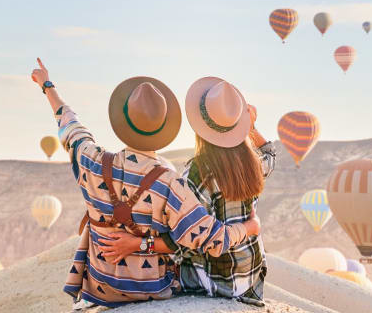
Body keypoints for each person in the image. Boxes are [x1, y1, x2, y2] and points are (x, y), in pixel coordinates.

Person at [30, 60, 261, 308]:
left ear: (122, 120)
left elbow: (70, 124)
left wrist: (47, 86)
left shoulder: (91, 159)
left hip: (101, 285)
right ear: (164, 127)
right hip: (152, 289)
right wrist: (251, 227)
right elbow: (215, 241)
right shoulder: (170, 183)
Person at [99, 77, 276, 306]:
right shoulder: (253, 162)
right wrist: (251, 128)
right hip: (250, 276)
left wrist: (136, 245)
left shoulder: (197, 174)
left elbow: (180, 242)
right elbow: (270, 154)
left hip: (212, 281)